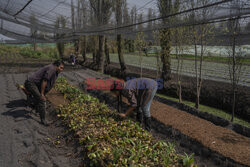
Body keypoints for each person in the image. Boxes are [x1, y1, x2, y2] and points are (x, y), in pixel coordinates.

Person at [24, 60, 64, 125]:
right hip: (31, 84)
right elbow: (45, 80)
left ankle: (36, 108)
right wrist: (42, 94)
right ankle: (43, 120)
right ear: (56, 66)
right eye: (61, 68)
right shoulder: (52, 69)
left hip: (34, 84)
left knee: (39, 98)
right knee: (42, 100)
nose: (61, 70)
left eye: (62, 68)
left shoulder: (53, 69)